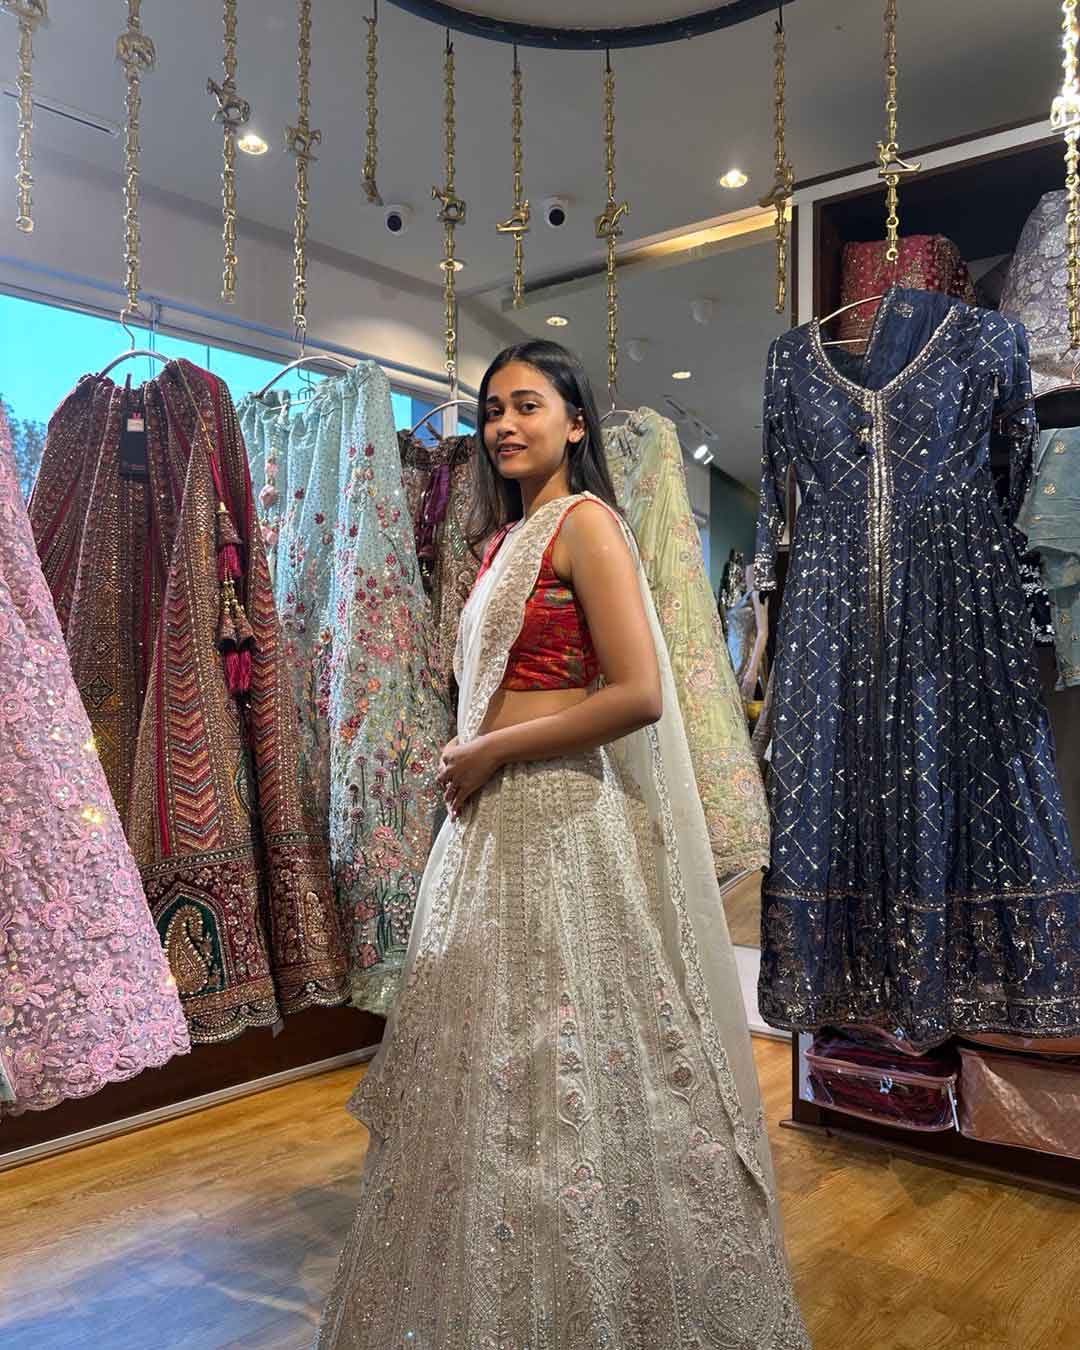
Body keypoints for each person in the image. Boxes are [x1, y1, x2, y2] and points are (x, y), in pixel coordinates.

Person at [315, 340, 808, 1348]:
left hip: (563, 821)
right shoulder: (503, 542)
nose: (503, 424)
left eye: (526, 405)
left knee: (577, 1054)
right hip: (493, 825)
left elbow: (638, 694)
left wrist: (493, 747)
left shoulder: (587, 524)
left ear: (575, 422)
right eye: (492, 409)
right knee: (489, 1069)